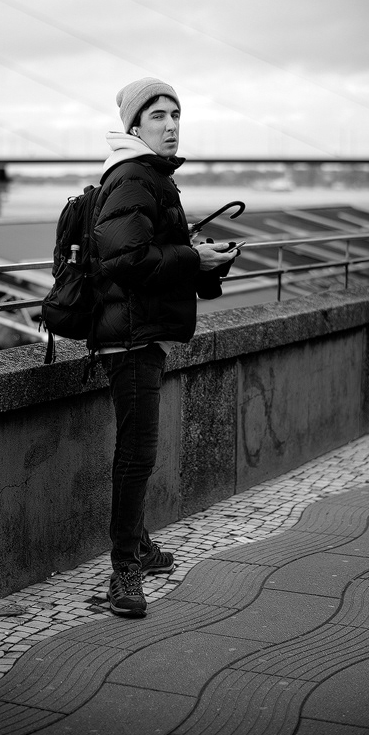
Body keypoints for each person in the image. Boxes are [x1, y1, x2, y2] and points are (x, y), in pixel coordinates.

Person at [90, 77, 237, 618]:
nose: (172, 125)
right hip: (130, 339)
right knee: (137, 454)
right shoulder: (133, 176)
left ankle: (141, 546)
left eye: (176, 115)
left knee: (138, 450)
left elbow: (153, 254)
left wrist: (203, 260)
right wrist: (193, 259)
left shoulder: (150, 175)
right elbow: (123, 260)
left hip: (141, 331)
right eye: (158, 116)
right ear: (134, 126)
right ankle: (124, 570)